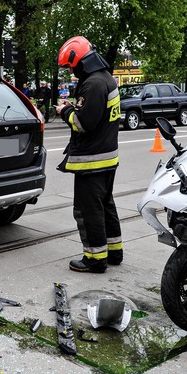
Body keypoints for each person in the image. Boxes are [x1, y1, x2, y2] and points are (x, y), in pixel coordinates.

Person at [55, 36, 123, 273]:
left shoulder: (93, 84)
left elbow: (83, 123)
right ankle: (114, 252)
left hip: (91, 161)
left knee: (88, 210)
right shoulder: (106, 80)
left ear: (81, 61)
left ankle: (95, 259)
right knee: (105, 206)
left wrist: (65, 111)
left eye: (72, 66)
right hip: (107, 157)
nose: (72, 72)